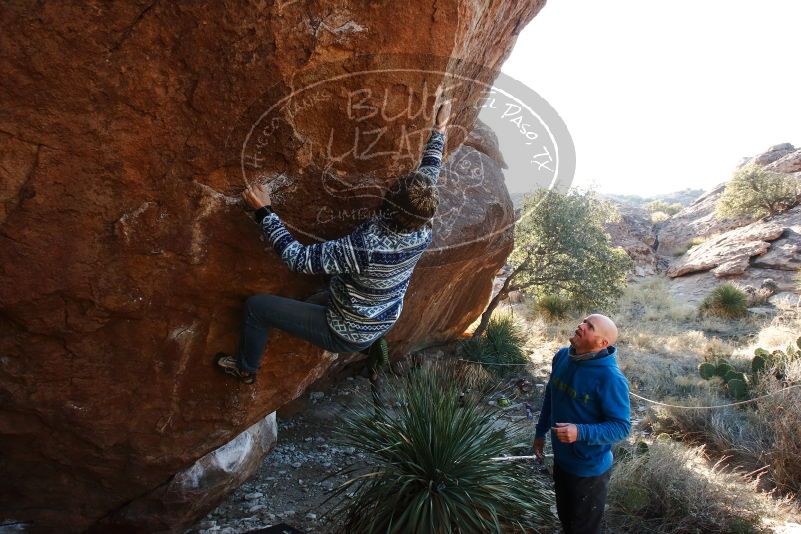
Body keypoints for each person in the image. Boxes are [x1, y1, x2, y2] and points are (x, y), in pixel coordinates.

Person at [215, 101, 452, 384]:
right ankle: (370, 341)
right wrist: (440, 129)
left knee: (257, 307)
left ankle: (245, 369)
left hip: (344, 331)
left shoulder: (366, 246)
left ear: (389, 204)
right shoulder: (423, 227)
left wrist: (264, 212)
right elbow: (428, 176)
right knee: (317, 296)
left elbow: (298, 259)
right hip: (383, 315)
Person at [533, 314, 630, 534]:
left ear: (602, 343)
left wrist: (581, 431)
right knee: (566, 519)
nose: (581, 326)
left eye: (590, 326)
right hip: (562, 460)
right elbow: (551, 395)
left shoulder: (610, 378)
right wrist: (540, 432)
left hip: (589, 472)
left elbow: (622, 427)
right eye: (584, 321)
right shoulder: (562, 357)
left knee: (584, 529)